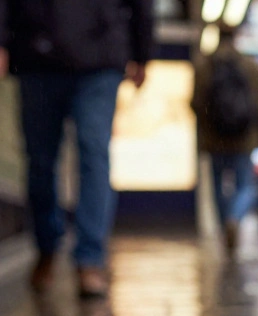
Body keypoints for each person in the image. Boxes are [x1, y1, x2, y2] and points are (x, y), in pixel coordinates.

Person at [0, 0, 153, 297]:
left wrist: (143, 51)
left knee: (94, 155)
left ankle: (90, 258)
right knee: (40, 162)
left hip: (101, 56)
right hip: (37, 53)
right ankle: (46, 245)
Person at [191, 24, 258, 252]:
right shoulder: (250, 66)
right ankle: (235, 218)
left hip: (214, 140)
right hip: (244, 138)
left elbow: (195, 103)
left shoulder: (205, 66)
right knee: (246, 185)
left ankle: (225, 225)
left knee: (218, 187)